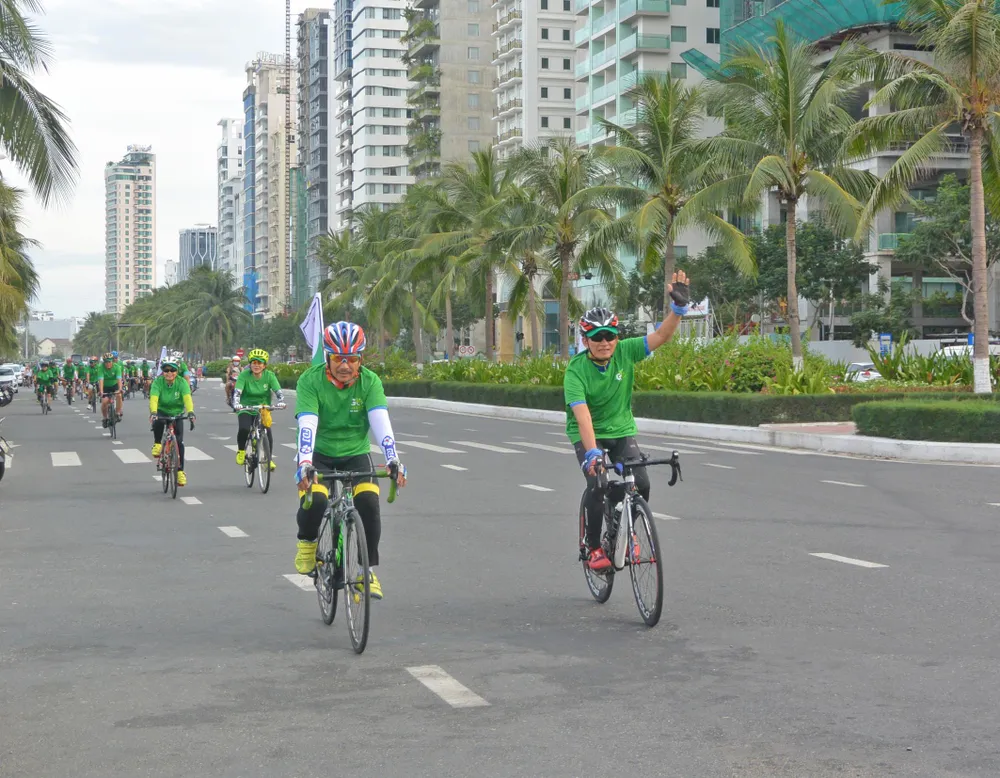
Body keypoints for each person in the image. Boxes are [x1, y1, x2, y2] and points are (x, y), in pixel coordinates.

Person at [565, 271, 690, 572]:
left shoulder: (626, 351)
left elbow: (661, 336)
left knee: (641, 482)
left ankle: (625, 529)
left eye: (610, 335)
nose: (604, 342)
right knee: (597, 484)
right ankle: (594, 547)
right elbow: (582, 417)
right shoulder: (575, 371)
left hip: (621, 429)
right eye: (597, 337)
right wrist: (592, 453)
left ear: (617, 336)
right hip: (589, 433)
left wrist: (678, 311)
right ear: (585, 340)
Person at [293, 322, 407, 600]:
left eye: (352, 359)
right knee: (317, 501)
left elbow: (381, 423)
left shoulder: (370, 382)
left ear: (361, 359)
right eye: (338, 359)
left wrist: (393, 459)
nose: (345, 366)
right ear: (328, 358)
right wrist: (305, 463)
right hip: (319, 453)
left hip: (355, 453)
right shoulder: (310, 380)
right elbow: (307, 424)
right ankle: (307, 543)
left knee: (368, 501)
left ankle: (365, 572)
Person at [233, 348, 286, 470]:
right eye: (254, 363)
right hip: (246, 407)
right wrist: (236, 403)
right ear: (250, 364)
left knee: (267, 431)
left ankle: (268, 459)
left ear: (264, 365)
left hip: (262, 408)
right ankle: (241, 451)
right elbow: (237, 392)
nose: (256, 365)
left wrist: (281, 401)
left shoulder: (270, 376)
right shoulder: (244, 375)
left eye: (259, 363)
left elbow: (278, 391)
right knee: (244, 429)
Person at [149, 360, 195, 487]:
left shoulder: (182, 383)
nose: (169, 373)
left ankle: (180, 471)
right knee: (158, 422)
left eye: (172, 370)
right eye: (166, 370)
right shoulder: (158, 382)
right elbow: (154, 399)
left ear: (177, 372)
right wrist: (153, 412)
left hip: (177, 412)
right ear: (162, 372)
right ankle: (158, 444)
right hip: (161, 410)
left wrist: (190, 412)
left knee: (179, 442)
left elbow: (187, 398)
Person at [97, 352, 124, 428]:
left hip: (114, 385)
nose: (108, 363)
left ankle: (118, 413)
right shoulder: (101, 368)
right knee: (105, 402)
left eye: (109, 361)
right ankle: (105, 418)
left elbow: (119, 379)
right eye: (106, 362)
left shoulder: (117, 367)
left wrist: (120, 389)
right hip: (105, 386)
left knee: (119, 395)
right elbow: (101, 381)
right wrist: (101, 391)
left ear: (112, 361)